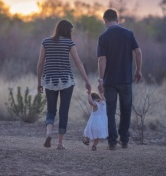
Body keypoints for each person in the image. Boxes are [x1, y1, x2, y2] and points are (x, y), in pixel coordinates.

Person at [37, 19, 91, 150]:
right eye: (71, 30)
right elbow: (78, 63)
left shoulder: (46, 42)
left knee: (51, 109)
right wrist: (87, 80)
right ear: (67, 30)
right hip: (66, 81)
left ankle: (49, 132)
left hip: (49, 80)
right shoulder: (69, 43)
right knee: (63, 111)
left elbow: (40, 64)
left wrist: (39, 82)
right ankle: (60, 143)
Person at [97, 9, 142, 150]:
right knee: (126, 110)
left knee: (110, 111)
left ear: (105, 20)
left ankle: (112, 142)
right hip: (126, 79)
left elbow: (101, 60)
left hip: (110, 81)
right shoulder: (128, 34)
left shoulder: (103, 37)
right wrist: (138, 70)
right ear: (117, 19)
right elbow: (138, 52)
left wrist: (100, 79)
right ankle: (124, 140)